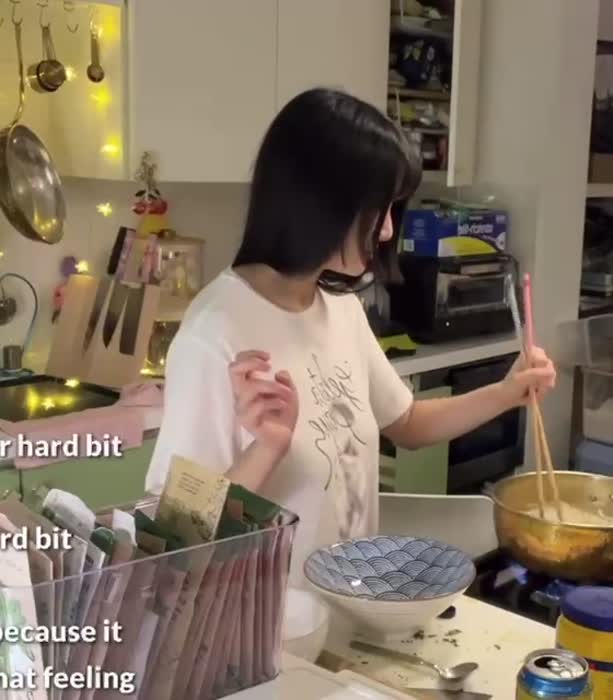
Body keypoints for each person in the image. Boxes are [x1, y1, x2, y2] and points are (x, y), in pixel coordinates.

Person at [146, 88, 556, 585]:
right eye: (377, 210)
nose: (386, 231)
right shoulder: (216, 332)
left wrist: (508, 391)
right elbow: (176, 537)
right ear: (319, 203)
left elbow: (407, 421)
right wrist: (266, 448)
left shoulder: (339, 306)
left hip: (351, 602)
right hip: (271, 621)